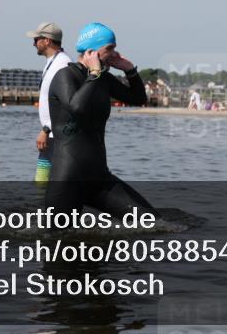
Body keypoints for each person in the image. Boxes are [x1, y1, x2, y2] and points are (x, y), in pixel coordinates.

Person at [46, 22, 153, 216]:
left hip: (99, 177)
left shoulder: (103, 79)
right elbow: (77, 107)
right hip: (68, 177)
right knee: (58, 241)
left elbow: (138, 98)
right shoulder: (65, 75)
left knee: (150, 220)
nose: (114, 53)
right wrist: (94, 73)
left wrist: (130, 70)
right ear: (91, 51)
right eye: (109, 48)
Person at [25, 21, 72, 183]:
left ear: (47, 41)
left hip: (57, 135)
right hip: (52, 135)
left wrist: (46, 129)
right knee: (42, 183)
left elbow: (67, 104)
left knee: (46, 183)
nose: (33, 43)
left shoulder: (63, 65)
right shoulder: (52, 63)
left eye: (36, 39)